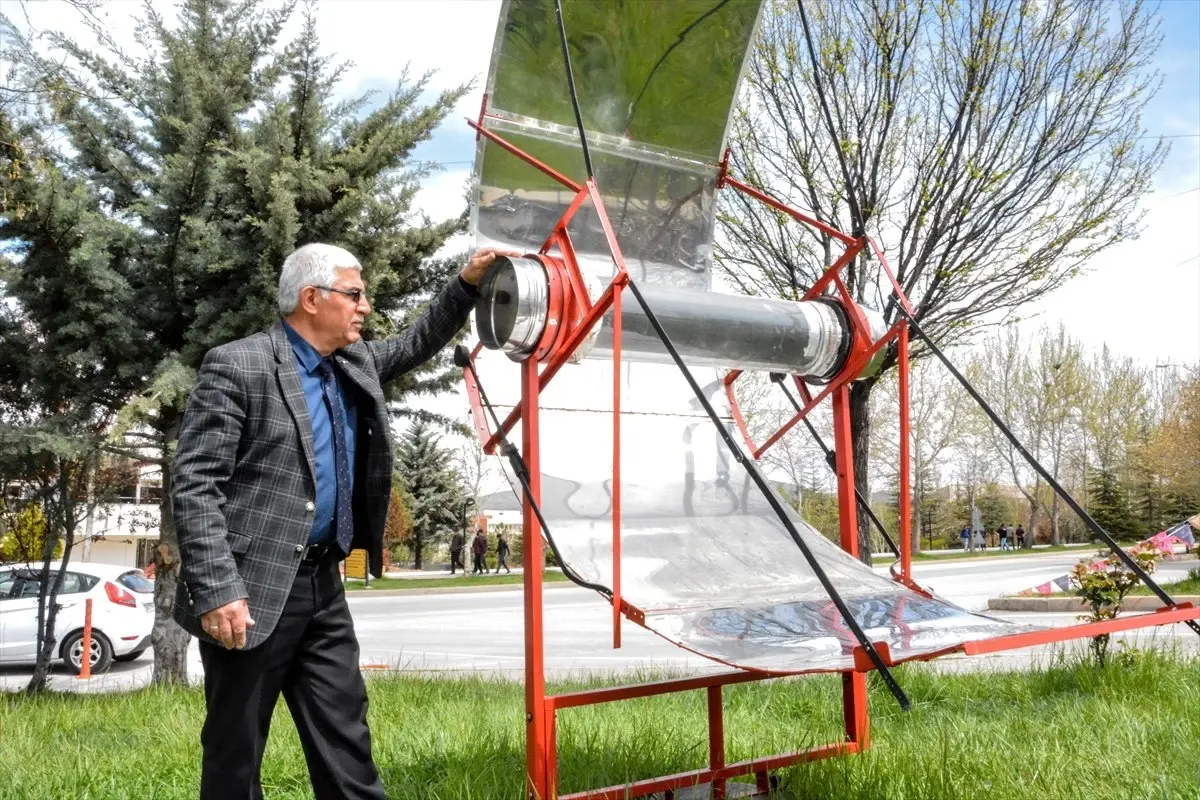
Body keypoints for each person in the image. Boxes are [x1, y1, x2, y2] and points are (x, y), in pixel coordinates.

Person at [172, 242, 511, 799]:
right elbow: (195, 482)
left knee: (347, 745)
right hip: (250, 594)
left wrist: (467, 285)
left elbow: (415, 342)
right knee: (236, 755)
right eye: (354, 294)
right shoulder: (239, 364)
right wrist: (217, 589)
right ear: (312, 298)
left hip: (324, 589)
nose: (366, 306)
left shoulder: (351, 364)